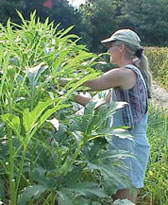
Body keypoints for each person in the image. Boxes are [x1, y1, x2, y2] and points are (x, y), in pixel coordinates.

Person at [62, 29, 151, 203]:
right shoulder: (124, 77)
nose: (108, 50)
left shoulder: (125, 73)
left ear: (121, 47)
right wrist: (67, 95)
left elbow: (90, 84)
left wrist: (55, 80)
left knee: (124, 197)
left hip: (129, 142)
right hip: (123, 141)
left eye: (111, 46)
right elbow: (99, 106)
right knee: (118, 195)